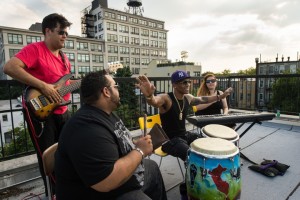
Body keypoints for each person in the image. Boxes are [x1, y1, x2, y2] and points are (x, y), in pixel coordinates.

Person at [55, 70, 167, 200]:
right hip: (105, 192)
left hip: (119, 182)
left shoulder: (105, 112)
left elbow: (113, 140)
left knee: (152, 167)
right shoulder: (87, 128)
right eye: (116, 86)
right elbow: (106, 181)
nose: (118, 90)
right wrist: (140, 151)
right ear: (106, 92)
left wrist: (135, 144)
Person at [3, 13, 75, 196]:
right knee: (47, 157)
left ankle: (66, 189)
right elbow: (10, 67)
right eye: (61, 32)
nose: (65, 36)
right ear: (48, 31)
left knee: (66, 151)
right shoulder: (35, 49)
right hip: (42, 114)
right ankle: (53, 193)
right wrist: (44, 86)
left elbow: (63, 85)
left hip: (63, 112)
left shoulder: (64, 58)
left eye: (66, 33)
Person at [136, 70, 233, 162]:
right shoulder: (166, 98)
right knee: (191, 155)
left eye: (188, 82)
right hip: (169, 140)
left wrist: (220, 97)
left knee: (206, 144)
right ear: (174, 85)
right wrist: (149, 96)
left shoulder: (188, 97)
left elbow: (203, 99)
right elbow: (155, 101)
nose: (188, 85)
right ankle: (195, 176)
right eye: (184, 82)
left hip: (184, 136)